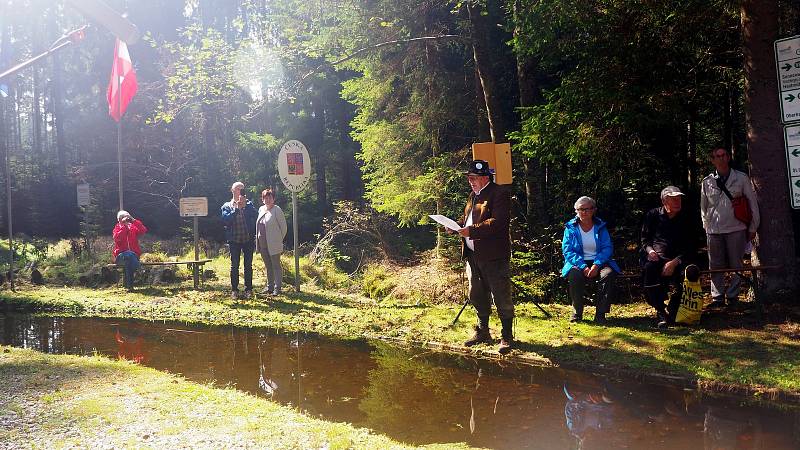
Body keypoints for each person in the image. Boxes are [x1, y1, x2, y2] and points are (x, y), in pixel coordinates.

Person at [456, 160, 514, 354]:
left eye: (474, 178)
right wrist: (456, 226)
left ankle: (506, 336)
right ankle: (483, 332)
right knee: (477, 294)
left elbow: (497, 223)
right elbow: (467, 219)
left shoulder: (499, 194)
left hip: (494, 256)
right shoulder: (473, 195)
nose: (471, 182)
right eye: (469, 178)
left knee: (501, 295)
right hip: (473, 256)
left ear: (485, 178)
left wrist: (470, 231)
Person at [700, 147, 760, 308]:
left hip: (736, 228)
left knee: (737, 264)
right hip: (714, 230)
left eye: (723, 155)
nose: (721, 159)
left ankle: (733, 296)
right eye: (717, 156)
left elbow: (752, 203)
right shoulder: (707, 181)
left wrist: (753, 226)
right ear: (712, 160)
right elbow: (703, 207)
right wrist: (706, 226)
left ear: (728, 157)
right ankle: (717, 298)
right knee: (715, 265)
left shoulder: (741, 178)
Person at [640, 186, 695, 328]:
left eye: (679, 199)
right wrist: (650, 251)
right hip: (656, 257)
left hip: (680, 258)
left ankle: (675, 307)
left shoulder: (686, 217)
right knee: (650, 270)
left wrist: (674, 262)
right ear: (664, 201)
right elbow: (644, 240)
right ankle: (660, 311)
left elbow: (691, 245)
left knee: (690, 273)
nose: (678, 202)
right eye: (674, 199)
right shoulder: (652, 215)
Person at [561, 196, 620, 324]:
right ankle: (577, 313)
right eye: (581, 209)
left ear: (594, 210)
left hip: (600, 262)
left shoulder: (601, 226)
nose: (584, 212)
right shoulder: (570, 228)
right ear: (576, 210)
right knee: (575, 275)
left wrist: (596, 265)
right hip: (577, 263)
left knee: (608, 274)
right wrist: (583, 267)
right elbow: (568, 251)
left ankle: (600, 314)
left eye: (587, 209)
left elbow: (607, 248)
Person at [221, 181, 257, 299]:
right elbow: (226, 220)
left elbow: (255, 215)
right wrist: (236, 209)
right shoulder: (227, 206)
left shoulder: (249, 204)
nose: (240, 191)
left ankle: (248, 290)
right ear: (232, 190)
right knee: (234, 265)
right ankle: (234, 290)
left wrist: (245, 206)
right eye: (237, 189)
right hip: (234, 240)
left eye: (242, 189)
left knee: (248, 266)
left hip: (247, 239)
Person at [256, 188, 288, 295]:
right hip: (263, 244)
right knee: (268, 266)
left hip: (274, 244)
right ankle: (269, 287)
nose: (267, 200)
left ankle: (277, 288)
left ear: (273, 199)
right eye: (265, 198)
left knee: (276, 266)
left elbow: (284, 228)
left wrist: (278, 240)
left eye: (270, 198)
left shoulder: (277, 210)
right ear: (262, 199)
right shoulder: (261, 209)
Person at [112, 210, 147, 291]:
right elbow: (118, 239)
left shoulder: (133, 227)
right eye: (124, 217)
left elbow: (143, 230)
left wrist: (133, 220)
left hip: (133, 257)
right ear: (119, 219)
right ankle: (139, 269)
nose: (127, 219)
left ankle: (130, 287)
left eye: (128, 217)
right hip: (120, 257)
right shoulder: (117, 228)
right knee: (128, 255)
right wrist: (124, 227)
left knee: (129, 259)